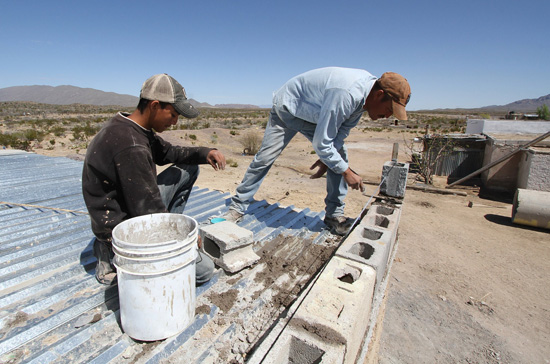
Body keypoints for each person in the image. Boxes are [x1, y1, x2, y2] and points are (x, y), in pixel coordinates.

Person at [224, 67, 411, 235]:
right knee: (264, 158)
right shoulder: (346, 94)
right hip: (287, 110)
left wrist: (328, 159)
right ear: (379, 95)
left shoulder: (362, 101)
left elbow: (339, 135)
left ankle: (334, 216)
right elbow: (323, 144)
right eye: (388, 110)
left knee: (340, 155)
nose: (387, 116)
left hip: (312, 115)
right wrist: (346, 172)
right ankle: (237, 207)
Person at [82, 73, 226, 285]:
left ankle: (166, 241)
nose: (175, 122)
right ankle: (110, 253)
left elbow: (170, 152)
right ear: (155, 105)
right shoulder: (131, 145)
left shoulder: (131, 127)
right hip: (120, 226)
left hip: (131, 204)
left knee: (188, 168)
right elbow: (147, 208)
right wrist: (182, 238)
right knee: (204, 271)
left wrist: (206, 152)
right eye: (174, 114)